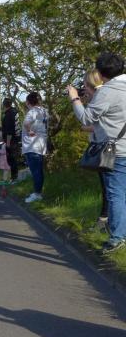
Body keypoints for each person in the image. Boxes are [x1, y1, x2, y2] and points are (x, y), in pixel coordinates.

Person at [69, 51, 126, 254]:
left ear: (101, 74)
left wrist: (75, 99)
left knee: (115, 194)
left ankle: (117, 237)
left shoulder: (107, 92)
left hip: (116, 151)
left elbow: (86, 119)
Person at [78, 69, 108, 232]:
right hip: (107, 147)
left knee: (109, 189)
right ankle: (107, 221)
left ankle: (105, 222)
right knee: (110, 188)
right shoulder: (105, 95)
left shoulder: (102, 97)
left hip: (106, 149)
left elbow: (94, 124)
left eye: (85, 85)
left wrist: (76, 100)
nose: (83, 88)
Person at [22, 92, 48, 203]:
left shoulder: (32, 111)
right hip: (41, 144)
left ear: (28, 102)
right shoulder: (44, 111)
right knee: (39, 171)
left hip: (31, 145)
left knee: (35, 171)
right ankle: (38, 192)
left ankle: (37, 194)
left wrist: (29, 131)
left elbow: (26, 123)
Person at [1, 98, 20, 182]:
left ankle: (14, 178)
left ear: (4, 105)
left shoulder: (9, 114)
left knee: (12, 159)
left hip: (11, 139)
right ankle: (13, 177)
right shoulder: (14, 111)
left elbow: (9, 130)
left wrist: (8, 142)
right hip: (16, 138)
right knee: (13, 158)